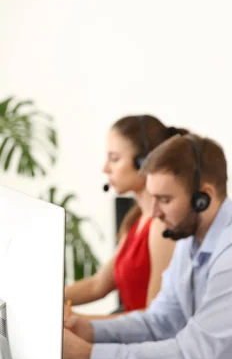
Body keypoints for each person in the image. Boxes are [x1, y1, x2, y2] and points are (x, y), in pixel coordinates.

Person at [62, 133, 232, 359]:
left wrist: (87, 355)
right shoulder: (190, 239)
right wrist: (91, 330)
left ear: (203, 197)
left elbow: (190, 354)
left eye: (164, 200)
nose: (153, 213)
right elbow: (160, 321)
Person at [64, 115, 182, 320]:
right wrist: (42, 299)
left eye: (115, 159)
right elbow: (97, 285)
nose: (105, 168)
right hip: (124, 335)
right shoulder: (135, 218)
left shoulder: (161, 227)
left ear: (144, 162)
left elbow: (153, 320)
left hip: (139, 344)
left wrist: (71, 320)